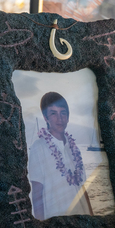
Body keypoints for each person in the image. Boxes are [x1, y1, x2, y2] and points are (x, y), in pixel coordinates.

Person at [27, 92, 93, 220]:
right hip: (58, 222)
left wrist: (93, 217)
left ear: (68, 117)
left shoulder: (74, 148)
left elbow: (83, 189)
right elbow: (37, 193)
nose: (60, 119)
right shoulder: (39, 147)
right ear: (46, 118)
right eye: (53, 113)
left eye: (63, 113)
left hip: (83, 220)